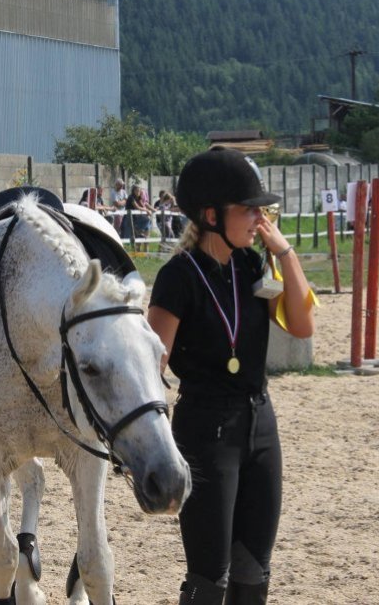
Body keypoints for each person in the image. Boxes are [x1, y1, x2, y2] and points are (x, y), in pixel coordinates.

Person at [147, 148, 316, 605]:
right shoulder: (177, 277)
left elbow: (302, 325)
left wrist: (284, 252)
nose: (259, 218)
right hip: (205, 430)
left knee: (253, 568)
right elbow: (152, 361)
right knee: (210, 577)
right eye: (249, 209)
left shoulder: (253, 265)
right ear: (210, 215)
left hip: (260, 424)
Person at [127, 183, 154, 251]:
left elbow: (143, 206)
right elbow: (137, 207)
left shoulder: (138, 198)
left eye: (139, 191)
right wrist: (147, 210)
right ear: (134, 191)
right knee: (147, 220)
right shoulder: (131, 197)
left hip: (137, 217)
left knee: (148, 221)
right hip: (130, 218)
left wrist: (149, 210)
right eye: (137, 190)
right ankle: (140, 232)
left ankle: (142, 233)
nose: (139, 192)